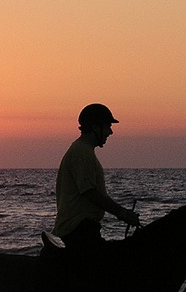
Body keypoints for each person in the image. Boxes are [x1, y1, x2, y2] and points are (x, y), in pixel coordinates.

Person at [53, 104, 140, 250]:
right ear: (95, 127)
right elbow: (90, 192)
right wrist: (122, 213)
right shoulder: (82, 152)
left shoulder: (84, 151)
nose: (110, 132)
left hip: (83, 229)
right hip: (78, 231)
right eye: (107, 126)